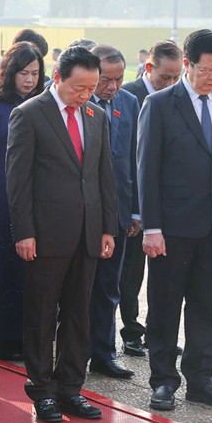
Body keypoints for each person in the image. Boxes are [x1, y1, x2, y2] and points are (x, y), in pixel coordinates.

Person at [137, 30, 212, 412]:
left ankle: (202, 379)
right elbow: (146, 170)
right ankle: (163, 381)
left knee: (206, 306)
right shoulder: (160, 104)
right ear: (187, 64)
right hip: (171, 228)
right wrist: (151, 227)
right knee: (165, 305)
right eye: (206, 69)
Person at [6, 46, 117, 423]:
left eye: (91, 87)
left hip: (88, 232)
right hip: (45, 234)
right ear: (57, 77)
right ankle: (41, 390)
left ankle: (71, 388)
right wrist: (24, 232)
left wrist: (107, 228)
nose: (85, 95)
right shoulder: (30, 114)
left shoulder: (97, 116)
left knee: (78, 314)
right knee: (41, 314)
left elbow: (104, 175)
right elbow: (18, 182)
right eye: (78, 88)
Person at [118, 40, 182, 358]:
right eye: (165, 77)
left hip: (168, 202)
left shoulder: (180, 99)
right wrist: (135, 208)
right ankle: (131, 330)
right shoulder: (128, 95)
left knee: (162, 276)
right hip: (134, 200)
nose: (170, 84)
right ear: (148, 68)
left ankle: (157, 332)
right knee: (131, 273)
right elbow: (128, 155)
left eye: (176, 78)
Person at [0, 42, 45, 362]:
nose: (30, 80)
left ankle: (30, 335)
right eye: (23, 73)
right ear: (10, 73)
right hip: (3, 195)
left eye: (35, 73)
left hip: (40, 195)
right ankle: (5, 338)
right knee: (6, 268)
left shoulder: (44, 105)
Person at [87, 46, 140, 380]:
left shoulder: (129, 103)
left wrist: (135, 210)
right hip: (82, 211)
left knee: (109, 287)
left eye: (119, 79)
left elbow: (134, 159)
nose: (112, 86)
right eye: (105, 79)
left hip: (118, 211)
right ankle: (72, 350)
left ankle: (104, 354)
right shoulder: (78, 104)